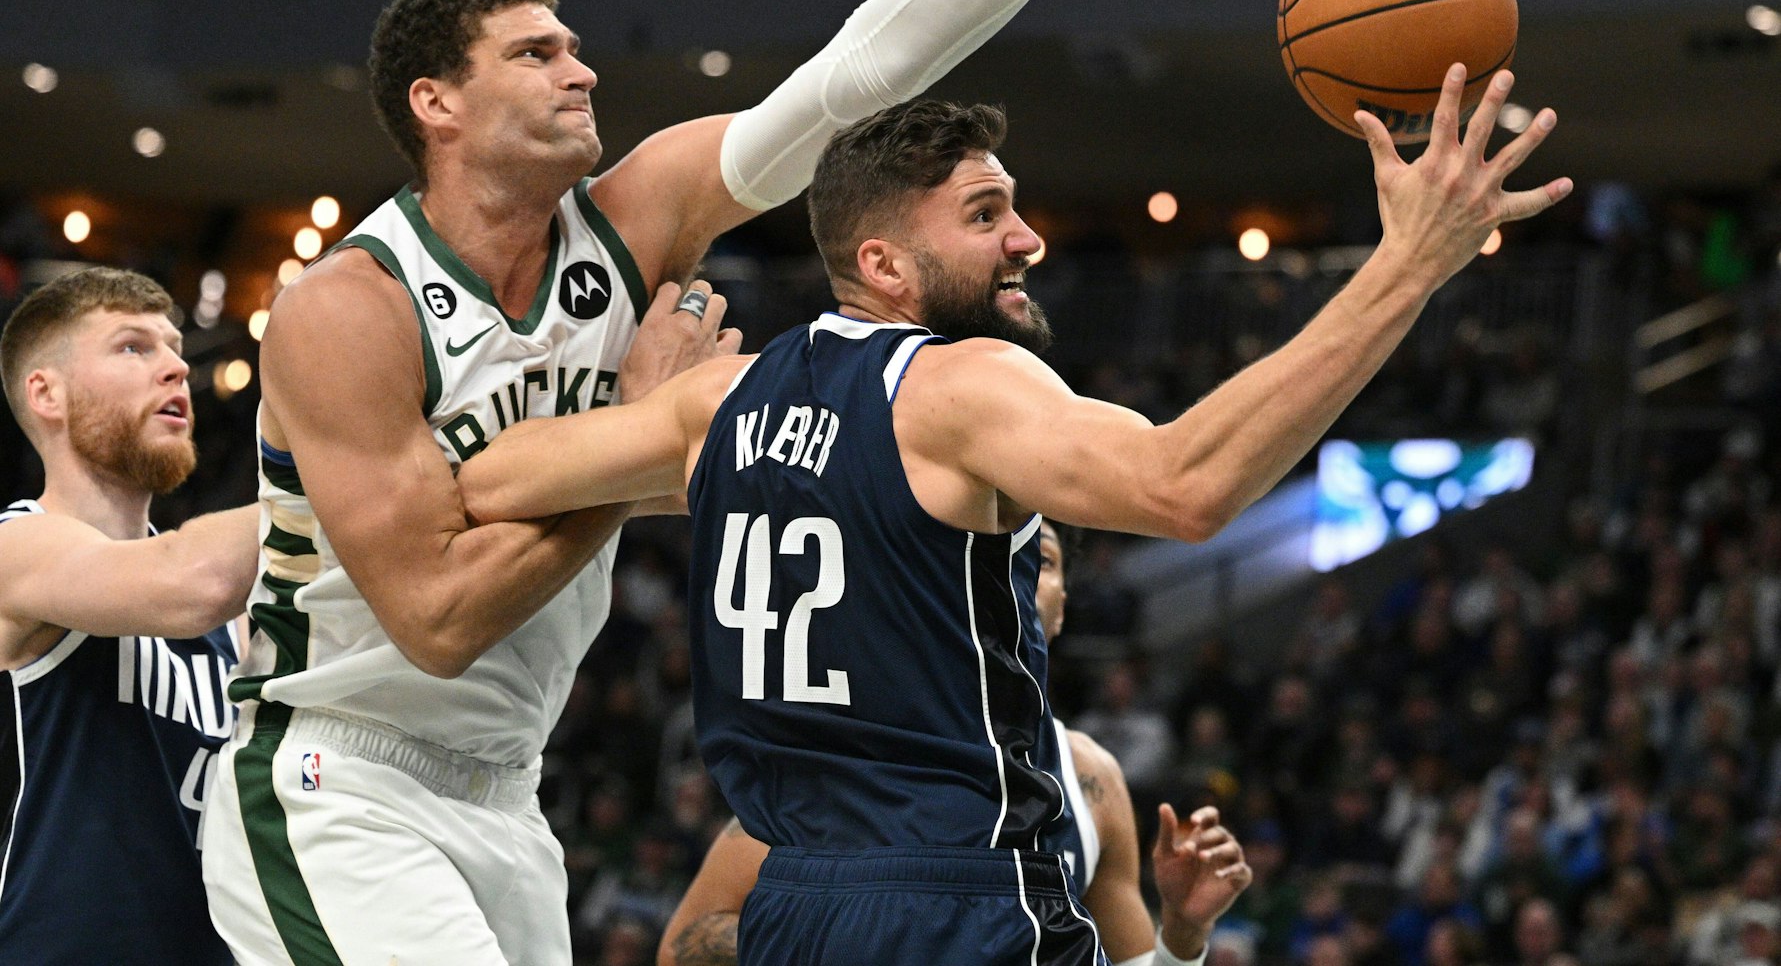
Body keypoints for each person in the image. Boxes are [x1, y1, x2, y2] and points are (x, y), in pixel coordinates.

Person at [202, 0, 1240, 966]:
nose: (582, 67)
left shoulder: (634, 218)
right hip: (337, 777)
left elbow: (855, 76)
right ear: (436, 103)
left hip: (506, 785)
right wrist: (663, 432)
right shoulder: (349, 307)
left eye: (574, 44)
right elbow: (432, 616)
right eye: (535, 52)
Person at [457, 67, 1569, 963]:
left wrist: (641, 416)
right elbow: (1183, 485)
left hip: (789, 905)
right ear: (883, 264)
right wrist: (1406, 269)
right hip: (960, 897)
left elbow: (490, 478)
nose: (1027, 238)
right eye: (986, 214)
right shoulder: (960, 384)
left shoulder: (717, 402)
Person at [655, 519, 1255, 966]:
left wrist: (1181, 930)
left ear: (1064, 608)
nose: (1012, 574)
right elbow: (683, 946)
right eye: (995, 557)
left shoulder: (1091, 777)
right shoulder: (849, 747)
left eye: (1038, 560)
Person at [0, 267, 259, 963]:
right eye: (132, 347)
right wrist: (368, 486)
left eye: (174, 347)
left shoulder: (227, 618)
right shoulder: (13, 549)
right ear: (46, 393)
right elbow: (191, 579)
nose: (176, 367)